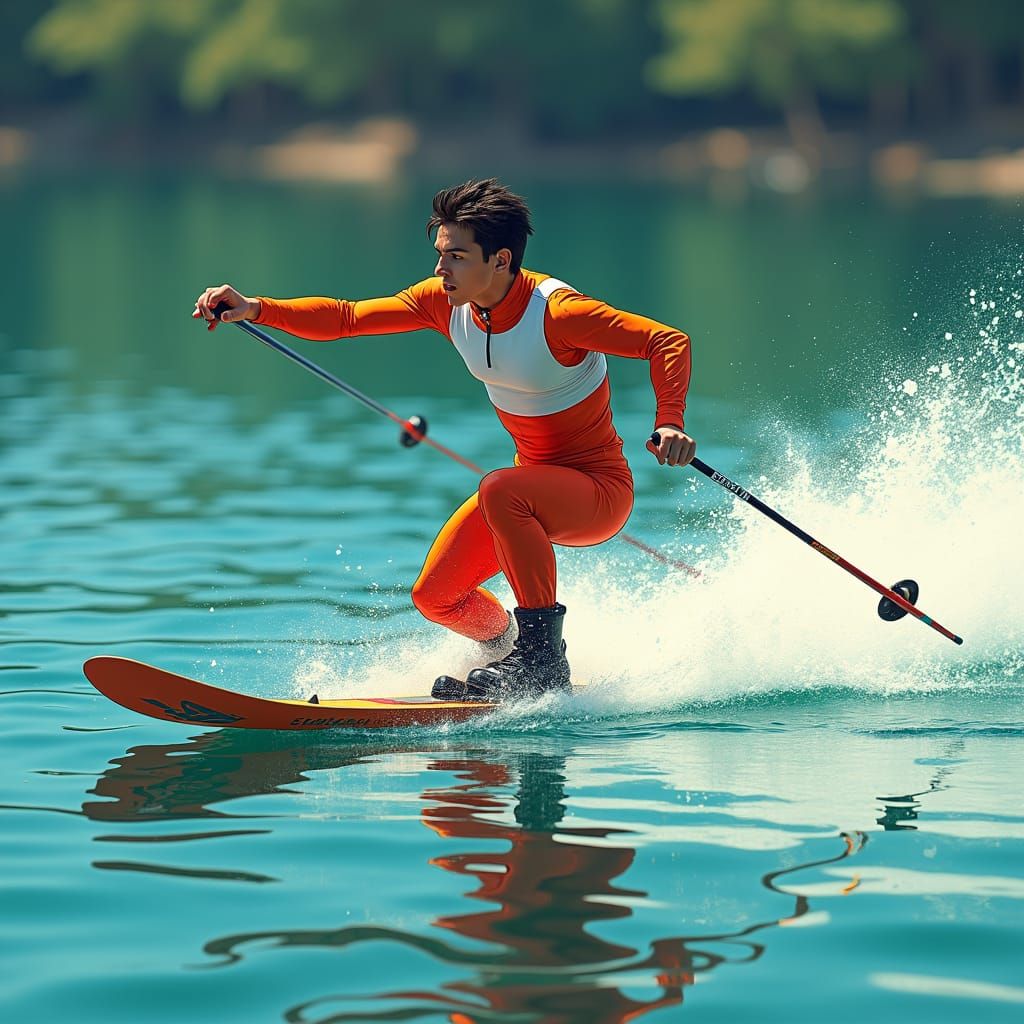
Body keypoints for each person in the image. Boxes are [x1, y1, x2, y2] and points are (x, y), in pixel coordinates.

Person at [193, 178, 695, 702]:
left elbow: (666, 340)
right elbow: (346, 318)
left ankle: (543, 664)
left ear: (501, 260)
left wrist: (671, 421)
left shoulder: (559, 314)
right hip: (524, 494)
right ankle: (506, 653)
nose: (440, 269)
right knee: (436, 596)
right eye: (440, 254)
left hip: (597, 494)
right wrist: (256, 308)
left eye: (456, 256)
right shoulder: (445, 304)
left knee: (500, 488)